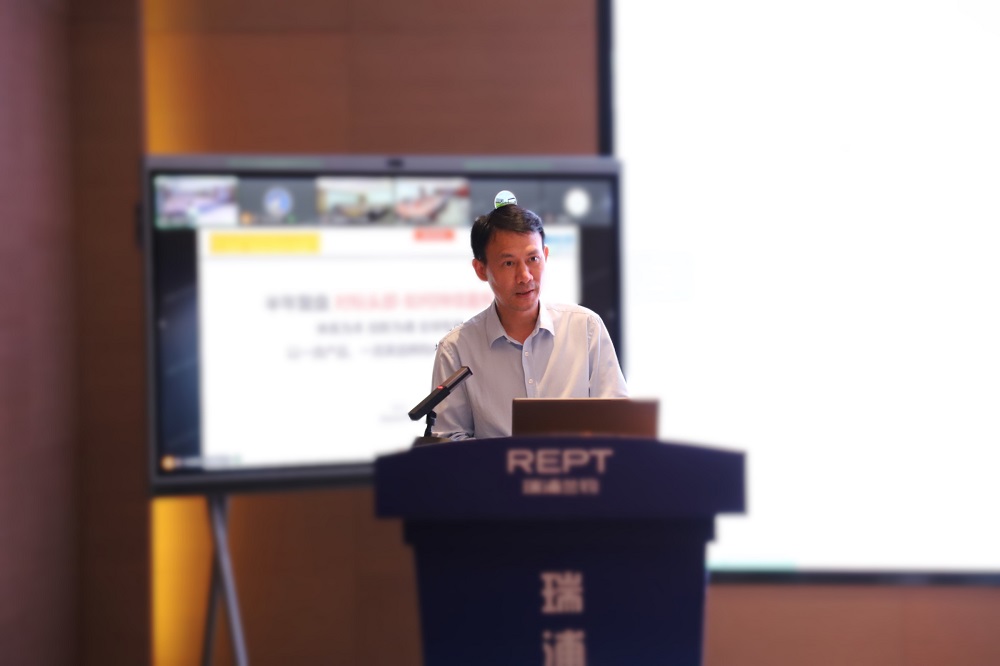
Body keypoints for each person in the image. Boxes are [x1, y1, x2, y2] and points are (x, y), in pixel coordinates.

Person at [430, 201, 628, 439]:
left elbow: (618, 425)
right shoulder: (456, 349)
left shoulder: (586, 328)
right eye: (509, 263)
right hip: (495, 466)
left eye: (533, 259)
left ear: (546, 256)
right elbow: (449, 440)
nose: (524, 277)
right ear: (481, 269)